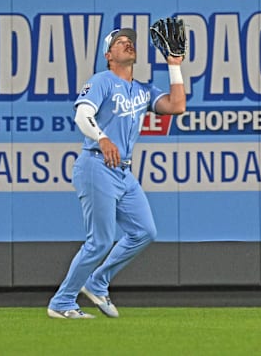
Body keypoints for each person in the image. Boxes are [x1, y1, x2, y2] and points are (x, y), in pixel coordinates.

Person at [47, 27, 186, 319]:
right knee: (100, 240)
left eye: (130, 42)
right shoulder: (103, 81)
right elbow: (82, 114)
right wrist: (102, 137)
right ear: (109, 56)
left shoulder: (143, 90)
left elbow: (177, 105)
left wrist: (174, 66)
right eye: (120, 42)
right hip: (96, 164)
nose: (128, 44)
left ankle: (97, 282)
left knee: (145, 231)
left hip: (123, 172)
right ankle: (62, 302)